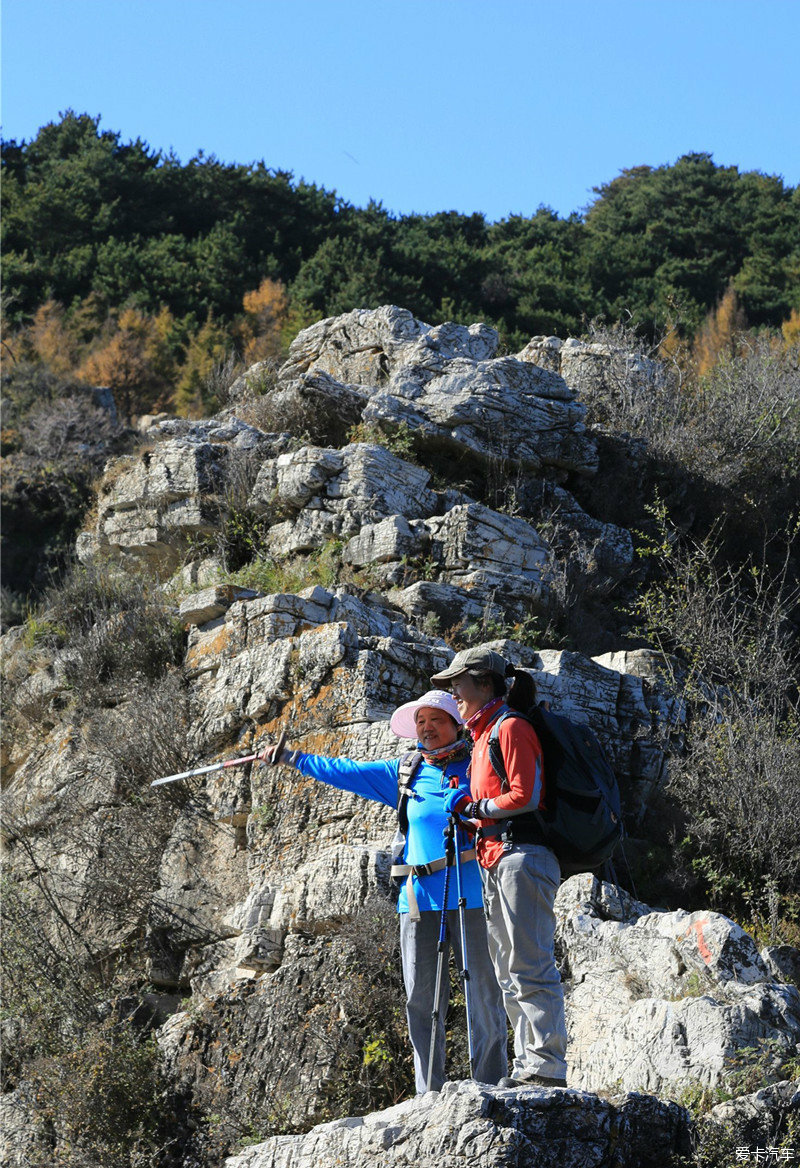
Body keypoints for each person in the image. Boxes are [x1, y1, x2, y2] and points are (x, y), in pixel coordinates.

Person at [261, 689, 508, 1094]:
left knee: (482, 994)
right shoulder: (405, 771)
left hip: (473, 897)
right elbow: (347, 771)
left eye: (437, 721)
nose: (427, 729)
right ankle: (429, 1093)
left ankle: (491, 1085)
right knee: (421, 1001)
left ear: (457, 723)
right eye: (421, 722)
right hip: (416, 899)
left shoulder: (479, 763)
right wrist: (293, 758)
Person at [431, 648, 568, 1089]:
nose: (454, 693)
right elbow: (491, 806)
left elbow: (526, 796)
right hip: (497, 860)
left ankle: (545, 1067)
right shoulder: (482, 735)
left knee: (529, 964)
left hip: (522, 857)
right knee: (508, 969)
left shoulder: (510, 727)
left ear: (485, 683)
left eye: (459, 684)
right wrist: (470, 810)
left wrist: (476, 806)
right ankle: (529, 1064)